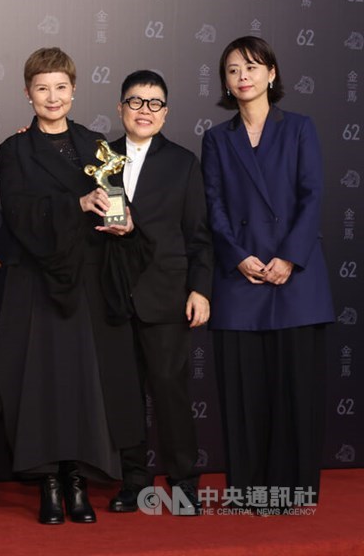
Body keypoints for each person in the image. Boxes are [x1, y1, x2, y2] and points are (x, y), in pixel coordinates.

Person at [0, 47, 147, 525]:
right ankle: (49, 483)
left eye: (61, 87)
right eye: (42, 88)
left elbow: (116, 202)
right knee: (42, 383)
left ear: (74, 90)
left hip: (88, 280)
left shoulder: (98, 143)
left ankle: (78, 478)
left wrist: (124, 224)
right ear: (27, 93)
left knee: (85, 382)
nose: (52, 97)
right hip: (37, 281)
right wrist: (76, 206)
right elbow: (18, 216)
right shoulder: (14, 150)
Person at [201, 36, 334, 511]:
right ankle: (250, 491)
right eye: (233, 70)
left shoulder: (299, 128)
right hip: (241, 279)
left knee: (296, 391)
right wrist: (237, 256)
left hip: (295, 278)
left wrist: (289, 258)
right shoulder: (217, 138)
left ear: (272, 74)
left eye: (253, 67)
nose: (243, 77)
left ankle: (293, 493)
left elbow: (312, 195)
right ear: (225, 81)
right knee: (243, 392)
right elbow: (212, 206)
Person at [106, 70, 212, 515]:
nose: (143, 111)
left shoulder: (183, 162)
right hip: (110, 294)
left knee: (170, 391)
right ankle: (133, 481)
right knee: (124, 394)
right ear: (121, 109)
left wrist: (200, 290)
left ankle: (184, 480)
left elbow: (199, 235)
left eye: (153, 104)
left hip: (166, 294)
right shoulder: (98, 155)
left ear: (165, 113)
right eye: (135, 101)